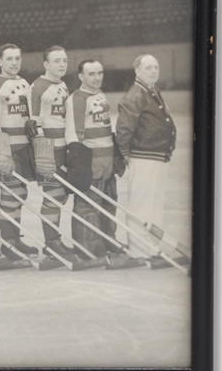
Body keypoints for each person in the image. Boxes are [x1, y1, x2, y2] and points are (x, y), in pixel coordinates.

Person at [114, 54, 179, 256]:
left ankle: (152, 247)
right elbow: (123, 130)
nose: (153, 71)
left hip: (156, 158)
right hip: (143, 158)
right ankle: (140, 250)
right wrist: (127, 156)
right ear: (138, 71)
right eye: (148, 67)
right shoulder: (136, 94)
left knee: (154, 207)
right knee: (141, 206)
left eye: (156, 67)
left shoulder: (152, 91)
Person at [0, 43, 40, 259]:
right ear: (0, 62)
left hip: (25, 148)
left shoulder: (25, 83)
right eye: (9, 59)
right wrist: (1, 151)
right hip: (7, 150)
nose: (14, 63)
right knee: (9, 195)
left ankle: (15, 238)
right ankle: (7, 243)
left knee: (21, 193)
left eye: (17, 58)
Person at [65, 59, 124, 256]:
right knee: (88, 205)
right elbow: (73, 133)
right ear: (81, 76)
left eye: (100, 73)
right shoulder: (77, 98)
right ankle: (87, 247)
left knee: (108, 203)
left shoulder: (100, 95)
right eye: (91, 74)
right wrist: (80, 164)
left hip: (107, 160)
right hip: (91, 161)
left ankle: (107, 241)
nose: (97, 77)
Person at [28, 45, 77, 259]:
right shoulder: (38, 86)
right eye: (57, 61)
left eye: (64, 60)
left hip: (64, 149)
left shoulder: (63, 85)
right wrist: (43, 153)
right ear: (46, 64)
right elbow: (34, 123)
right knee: (53, 196)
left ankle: (55, 239)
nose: (62, 64)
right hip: (49, 152)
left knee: (61, 196)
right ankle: (51, 243)